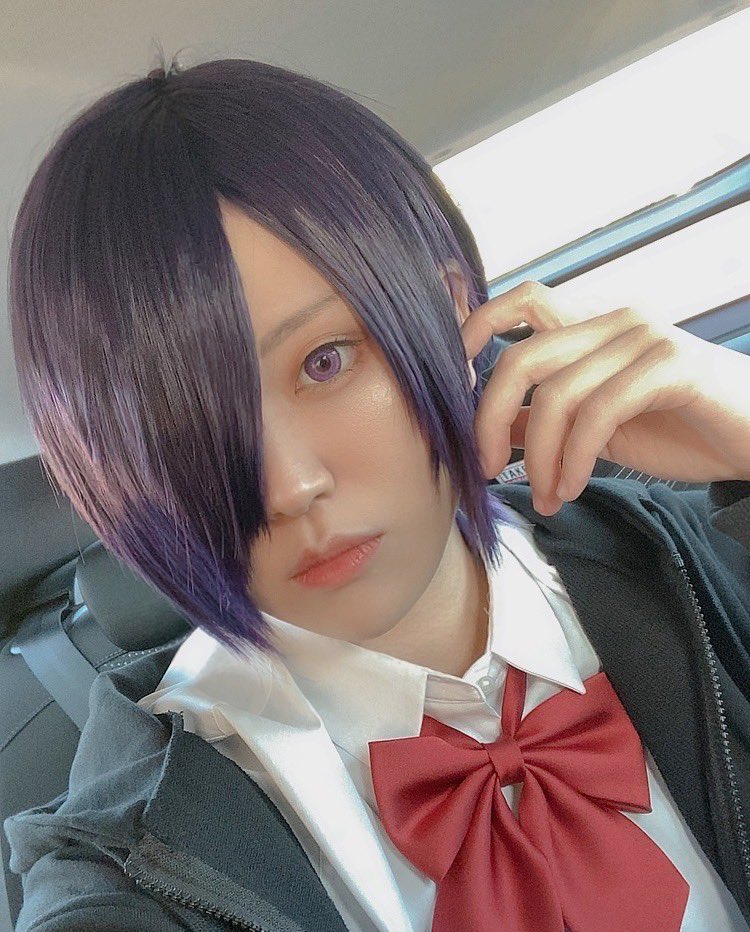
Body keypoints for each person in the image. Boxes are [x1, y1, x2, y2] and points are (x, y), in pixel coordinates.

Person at [4, 51, 750, 932]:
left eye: (326, 361)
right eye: (181, 433)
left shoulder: (705, 562)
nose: (289, 486)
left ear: (450, 311)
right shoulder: (124, 874)